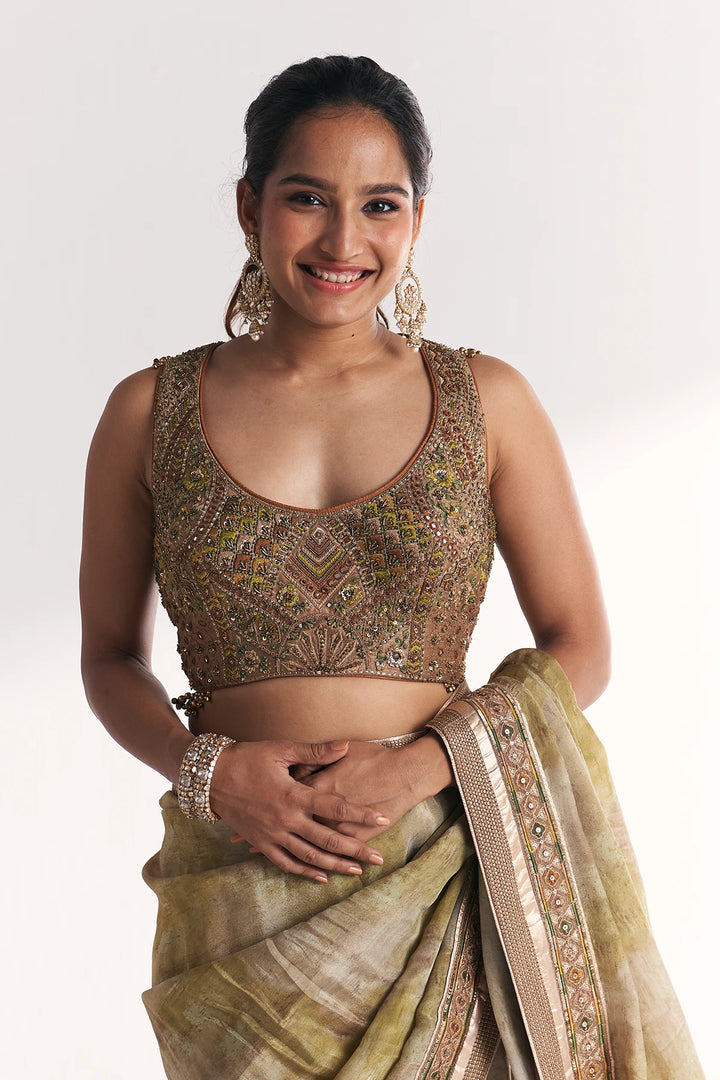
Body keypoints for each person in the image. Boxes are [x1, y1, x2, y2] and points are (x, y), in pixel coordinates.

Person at [80, 55, 703, 1080]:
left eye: (380, 204)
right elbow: (109, 659)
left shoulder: (485, 402)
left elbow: (580, 648)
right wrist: (214, 774)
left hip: (450, 874)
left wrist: (425, 764)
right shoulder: (149, 413)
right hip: (243, 903)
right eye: (306, 200)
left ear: (417, 217)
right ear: (249, 206)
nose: (342, 241)